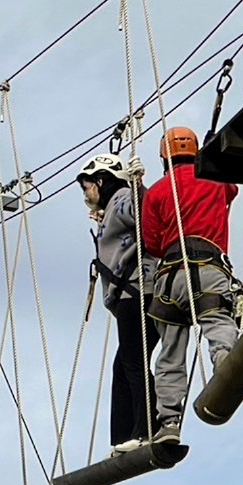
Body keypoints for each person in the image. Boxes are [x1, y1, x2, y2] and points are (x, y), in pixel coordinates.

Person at [141, 126, 240, 446]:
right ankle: (224, 358)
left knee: (170, 351)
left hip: (170, 277)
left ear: (164, 158)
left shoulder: (157, 192)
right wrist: (212, 159)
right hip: (208, 267)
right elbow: (232, 190)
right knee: (218, 320)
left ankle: (169, 421)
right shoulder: (215, 182)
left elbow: (152, 244)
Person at [77, 154, 159, 454]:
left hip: (136, 292)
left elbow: (145, 213)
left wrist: (138, 186)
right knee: (123, 365)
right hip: (133, 292)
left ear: (101, 181)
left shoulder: (123, 198)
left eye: (87, 186)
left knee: (133, 362)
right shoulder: (114, 206)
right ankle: (125, 436)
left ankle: (146, 430)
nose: (86, 194)